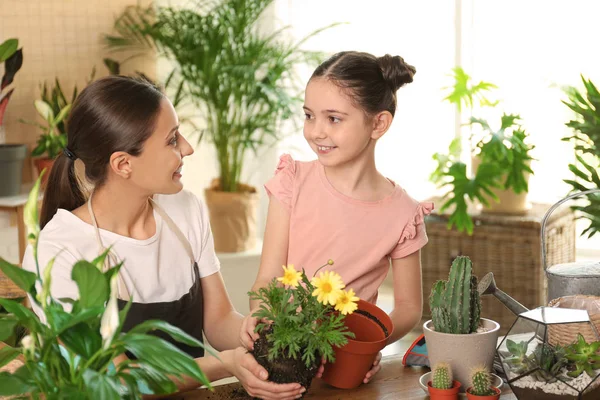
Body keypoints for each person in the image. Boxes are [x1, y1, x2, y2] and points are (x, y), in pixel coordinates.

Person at [22, 75, 311, 400]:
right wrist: (226, 365)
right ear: (123, 164)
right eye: (172, 140)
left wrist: (256, 335)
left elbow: (218, 320)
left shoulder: (185, 209)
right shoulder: (61, 249)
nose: (187, 148)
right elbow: (117, 381)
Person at [241, 51, 434, 383]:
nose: (316, 132)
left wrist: (370, 346)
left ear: (378, 123)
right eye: (309, 115)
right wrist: (261, 318)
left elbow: (408, 308)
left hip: (345, 366)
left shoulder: (404, 213)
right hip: (283, 357)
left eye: (333, 119)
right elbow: (268, 278)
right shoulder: (293, 180)